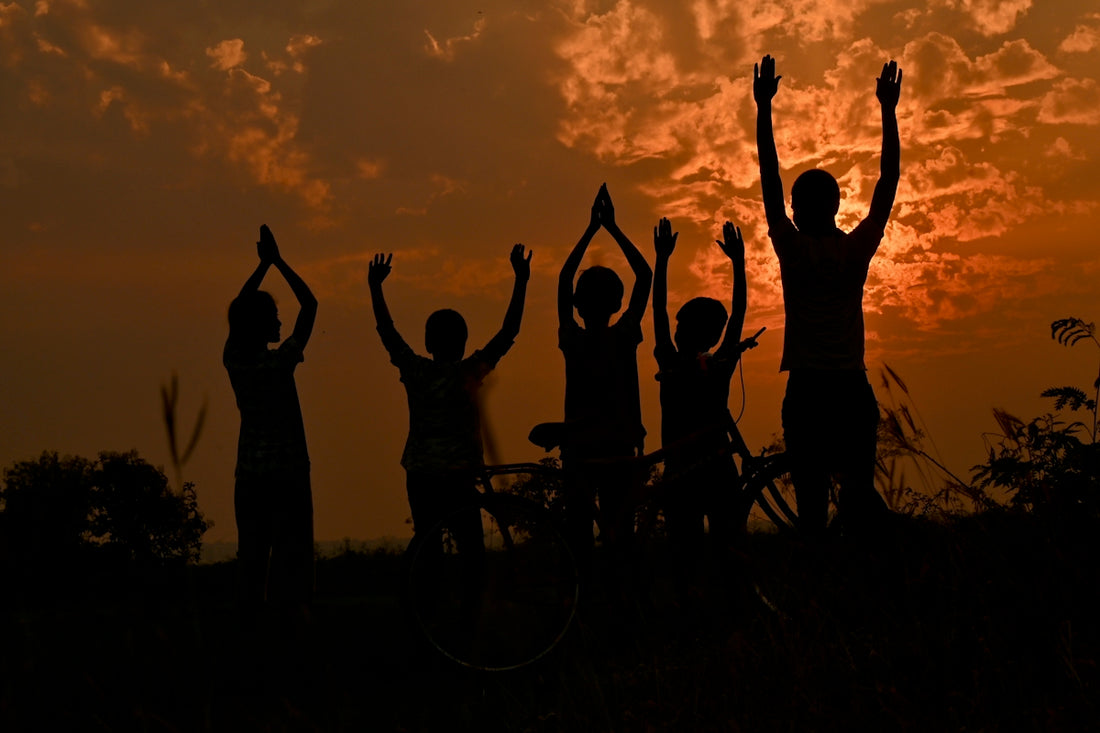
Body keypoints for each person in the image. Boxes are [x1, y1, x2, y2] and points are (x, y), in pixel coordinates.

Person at [753, 54, 903, 535]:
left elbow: (769, 180)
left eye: (795, 204)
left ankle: (818, 585)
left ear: (797, 209)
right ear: (837, 207)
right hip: (849, 388)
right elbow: (886, 185)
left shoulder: (792, 250)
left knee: (813, 509)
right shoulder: (854, 252)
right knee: (857, 496)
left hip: (808, 389)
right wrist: (888, 110)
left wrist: (764, 109)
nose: (791, 208)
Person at [367, 244, 531, 594]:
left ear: (428, 342)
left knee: (428, 550)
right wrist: (521, 281)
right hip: (457, 477)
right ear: (463, 342)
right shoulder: (469, 373)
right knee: (472, 553)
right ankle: (466, 620)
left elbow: (387, 332)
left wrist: (375, 288)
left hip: (421, 474)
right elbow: (508, 333)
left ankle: (428, 615)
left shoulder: (417, 371)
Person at [556, 183, 652, 579]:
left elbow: (563, 281)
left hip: (580, 450)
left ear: (578, 305)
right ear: (617, 304)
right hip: (618, 447)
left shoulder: (573, 339)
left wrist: (591, 230)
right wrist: (611, 227)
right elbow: (644, 274)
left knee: (578, 540)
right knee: (620, 537)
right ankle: (618, 609)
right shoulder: (624, 335)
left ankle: (581, 606)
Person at [224, 224, 318, 618]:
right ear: (262, 326)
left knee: (253, 553)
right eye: (275, 317)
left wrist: (262, 268)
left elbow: (239, 310)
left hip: (249, 475)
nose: (281, 322)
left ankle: (250, 621)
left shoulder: (235, 361)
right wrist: (277, 262)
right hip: (288, 474)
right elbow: (310, 305)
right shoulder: (280, 363)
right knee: (290, 551)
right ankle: (287, 620)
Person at [652, 217, 756, 567]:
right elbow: (737, 312)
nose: (677, 329)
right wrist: (738, 263)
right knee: (721, 553)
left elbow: (658, 311)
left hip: (689, 471)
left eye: (682, 325)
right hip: (708, 469)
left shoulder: (674, 361)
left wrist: (663, 259)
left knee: (692, 556)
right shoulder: (713, 362)